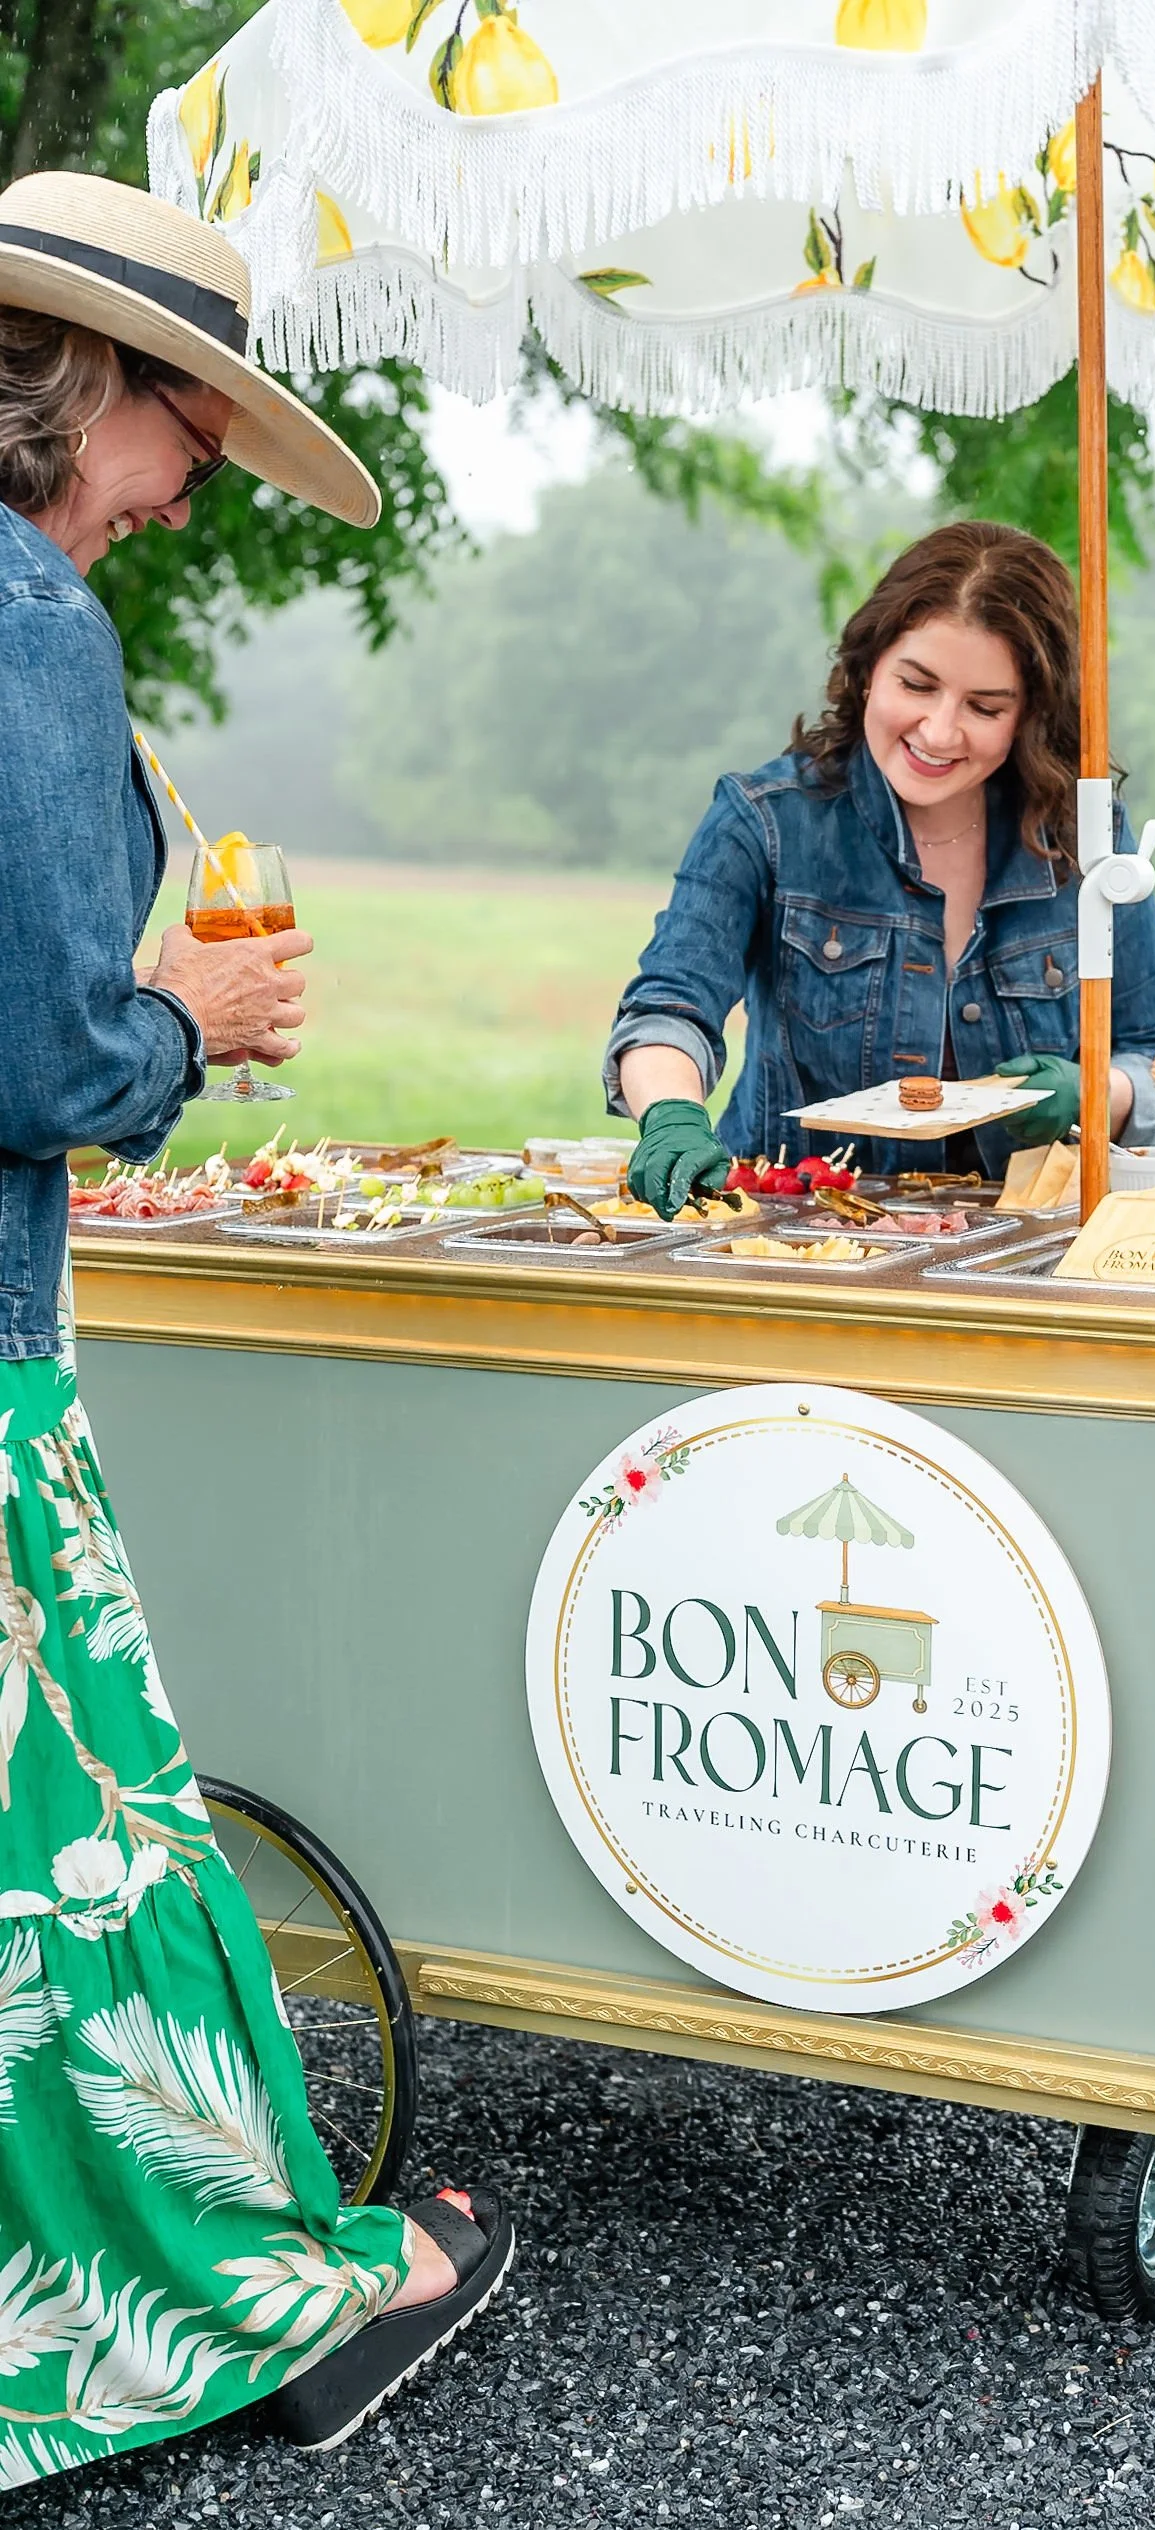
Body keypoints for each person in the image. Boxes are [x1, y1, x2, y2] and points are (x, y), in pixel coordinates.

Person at [0, 172, 511, 2485]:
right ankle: (239, 2293)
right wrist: (184, 1017)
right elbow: (38, 1059)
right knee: (89, 1856)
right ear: (93, 388)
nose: (200, 480)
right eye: (193, 426)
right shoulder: (26, 614)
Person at [606, 520, 1155, 1216]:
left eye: (983, 707)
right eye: (916, 685)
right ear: (867, 670)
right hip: (793, 1238)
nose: (940, 732)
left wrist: (1097, 1093)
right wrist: (670, 1115)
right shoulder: (765, 819)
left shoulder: (1085, 839)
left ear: (1027, 716)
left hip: (1024, 1253)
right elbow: (669, 1010)